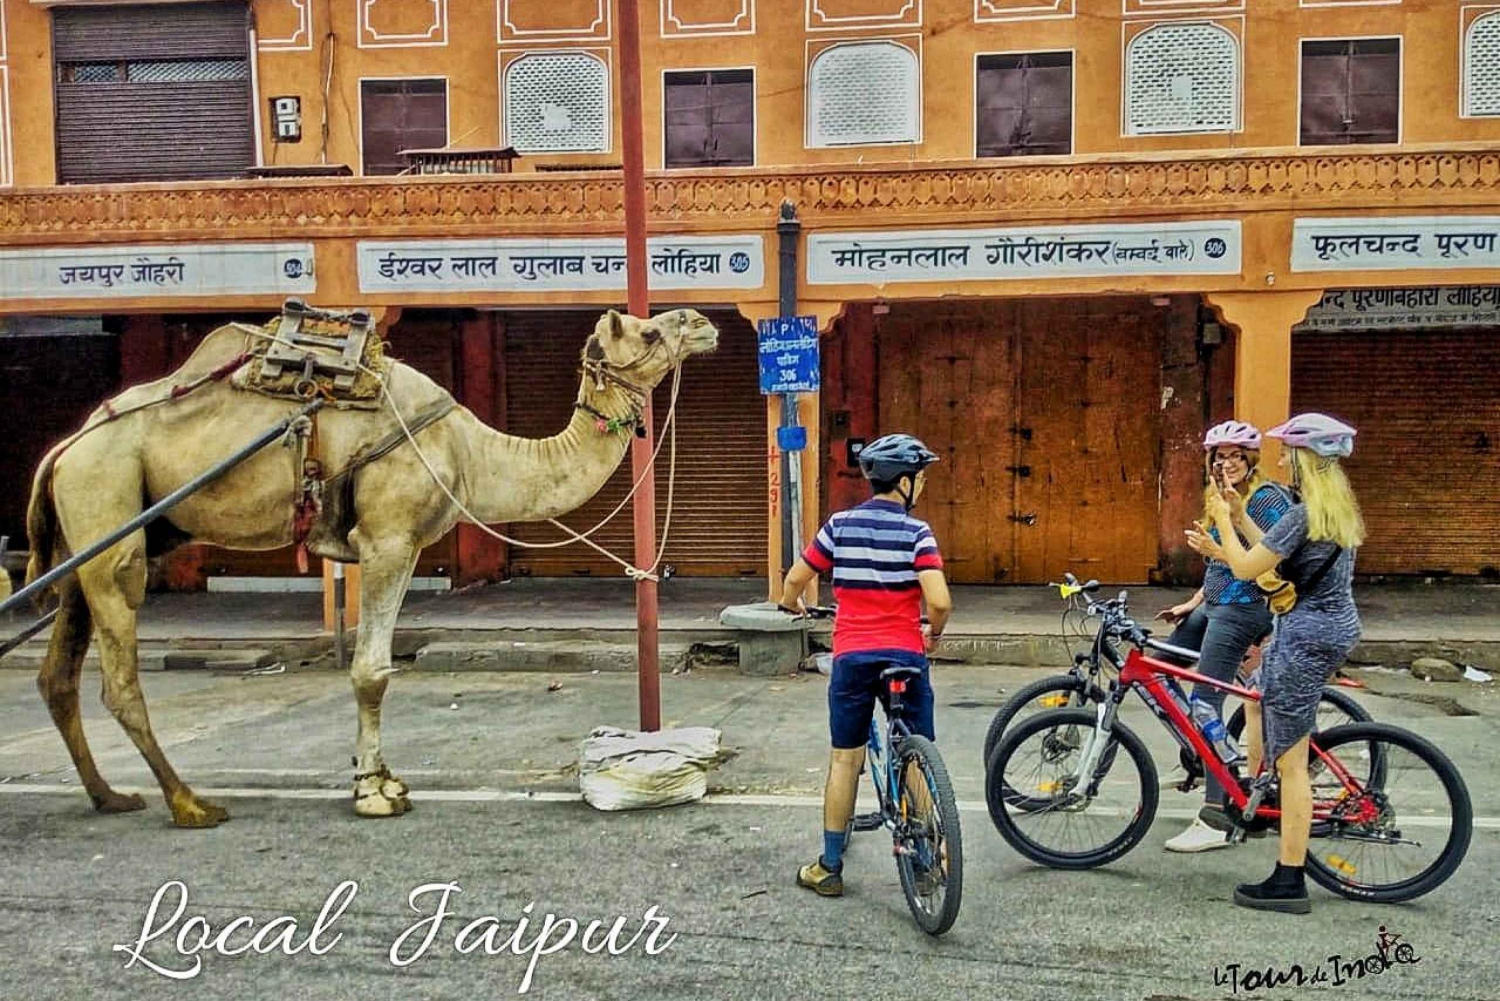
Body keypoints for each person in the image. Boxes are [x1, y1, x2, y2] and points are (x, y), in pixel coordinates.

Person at [1186, 413, 1364, 914]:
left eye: (1288, 452)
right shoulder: (1330, 509)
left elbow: (1245, 566)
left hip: (1306, 636)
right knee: (1260, 699)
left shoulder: (1302, 515)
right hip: (1330, 625)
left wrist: (1222, 515)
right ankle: (1261, 796)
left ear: (1305, 458)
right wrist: (1241, 514)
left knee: (1293, 765)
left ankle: (1290, 880)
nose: (1281, 459)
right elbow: (1272, 548)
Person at [775, 433, 953, 898]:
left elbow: (795, 579)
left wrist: (791, 604)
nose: (925, 485)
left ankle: (829, 868)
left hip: (853, 656)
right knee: (915, 753)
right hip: (906, 657)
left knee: (844, 757)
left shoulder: (839, 526)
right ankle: (927, 854)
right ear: (906, 483)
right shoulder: (918, 533)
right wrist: (932, 630)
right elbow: (939, 600)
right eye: (923, 477)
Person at [1155, 420, 1293, 853]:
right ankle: (1203, 755)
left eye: (1236, 456)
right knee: (1156, 674)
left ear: (1250, 459)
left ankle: (1216, 816)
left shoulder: (1268, 499)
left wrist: (1218, 551)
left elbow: (1262, 561)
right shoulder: (1217, 497)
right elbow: (1217, 567)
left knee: (1204, 704)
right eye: (1220, 457)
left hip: (1242, 609)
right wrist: (1191, 603)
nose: (1227, 463)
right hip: (1214, 604)